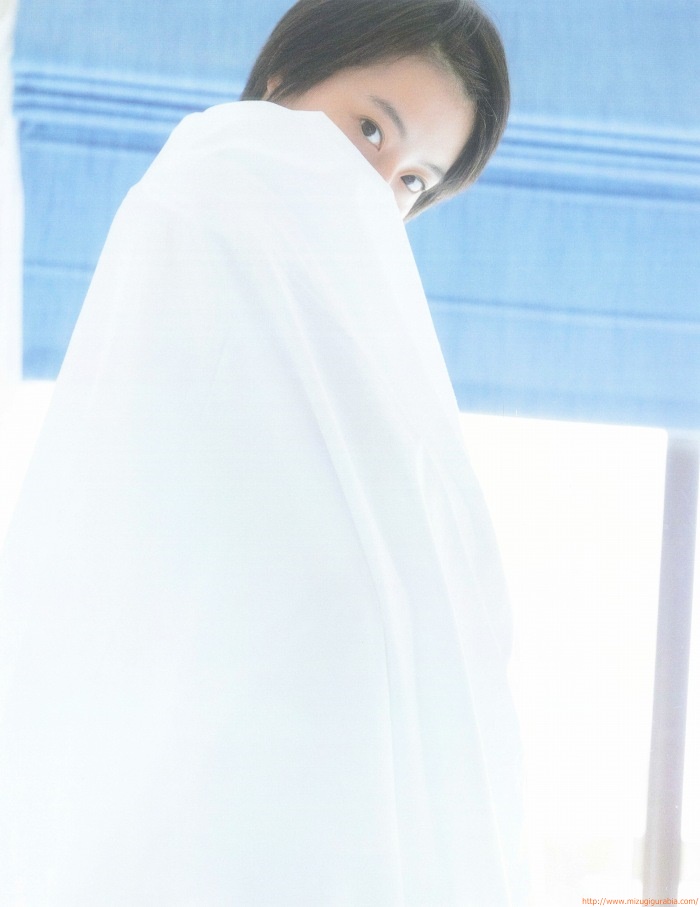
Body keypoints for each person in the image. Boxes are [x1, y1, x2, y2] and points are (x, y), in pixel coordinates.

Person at [0, 1, 524, 904]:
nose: (375, 189)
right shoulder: (206, 198)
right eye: (370, 130)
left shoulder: (366, 358)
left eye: (411, 181)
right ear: (285, 79)